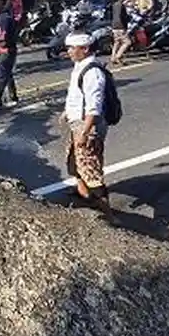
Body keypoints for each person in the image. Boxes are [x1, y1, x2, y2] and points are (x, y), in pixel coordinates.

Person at [62, 32, 110, 206]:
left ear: (85, 49)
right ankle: (84, 195)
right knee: (74, 162)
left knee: (91, 170)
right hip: (78, 123)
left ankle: (109, 214)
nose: (69, 51)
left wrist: (85, 131)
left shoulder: (93, 73)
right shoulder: (80, 66)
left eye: (72, 48)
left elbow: (94, 107)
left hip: (87, 126)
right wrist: (67, 112)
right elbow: (76, 95)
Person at [109, 0, 131, 67]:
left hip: (114, 26)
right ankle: (118, 56)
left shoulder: (114, 5)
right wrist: (125, 24)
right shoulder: (121, 5)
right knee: (127, 42)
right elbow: (121, 17)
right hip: (120, 26)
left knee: (117, 42)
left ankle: (112, 57)